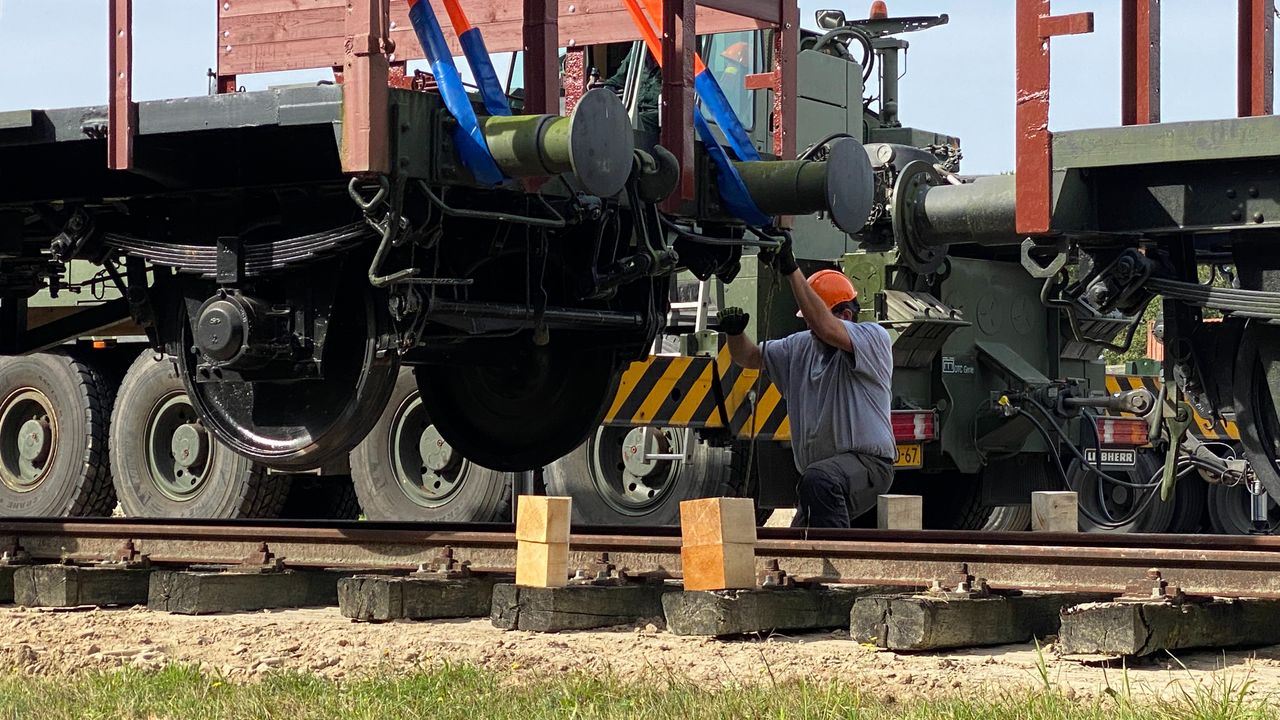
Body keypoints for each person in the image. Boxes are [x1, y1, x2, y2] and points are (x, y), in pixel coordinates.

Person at [719, 243, 895, 527]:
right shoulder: (799, 347)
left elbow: (826, 327)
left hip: (867, 465)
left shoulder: (873, 338)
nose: (810, 329)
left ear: (846, 316)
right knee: (798, 542)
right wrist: (735, 333)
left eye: (813, 319)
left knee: (820, 481)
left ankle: (838, 561)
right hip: (821, 474)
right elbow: (748, 357)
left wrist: (791, 269)